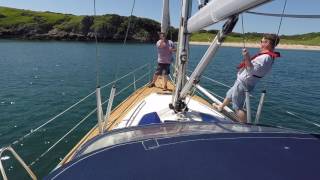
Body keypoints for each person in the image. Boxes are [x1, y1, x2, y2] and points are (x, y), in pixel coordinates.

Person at [214, 33, 280, 123]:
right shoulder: (268, 56)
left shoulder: (265, 57)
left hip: (243, 83)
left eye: (264, 41)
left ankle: (244, 127)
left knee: (237, 107)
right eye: (261, 41)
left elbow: (250, 69)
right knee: (229, 94)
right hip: (246, 82)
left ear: (270, 44)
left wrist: (246, 56)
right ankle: (221, 107)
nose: (261, 43)